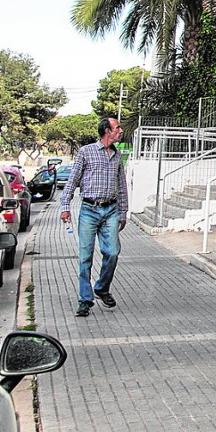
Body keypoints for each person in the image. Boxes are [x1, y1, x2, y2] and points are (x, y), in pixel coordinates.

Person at [59, 115, 127, 317]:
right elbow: (72, 180)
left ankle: (101, 288)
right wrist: (65, 206)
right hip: (89, 209)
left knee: (113, 252)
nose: (120, 131)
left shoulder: (117, 155)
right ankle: (85, 300)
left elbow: (122, 187)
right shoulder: (86, 152)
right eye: (117, 128)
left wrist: (123, 212)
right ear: (107, 131)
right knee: (85, 257)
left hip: (111, 210)